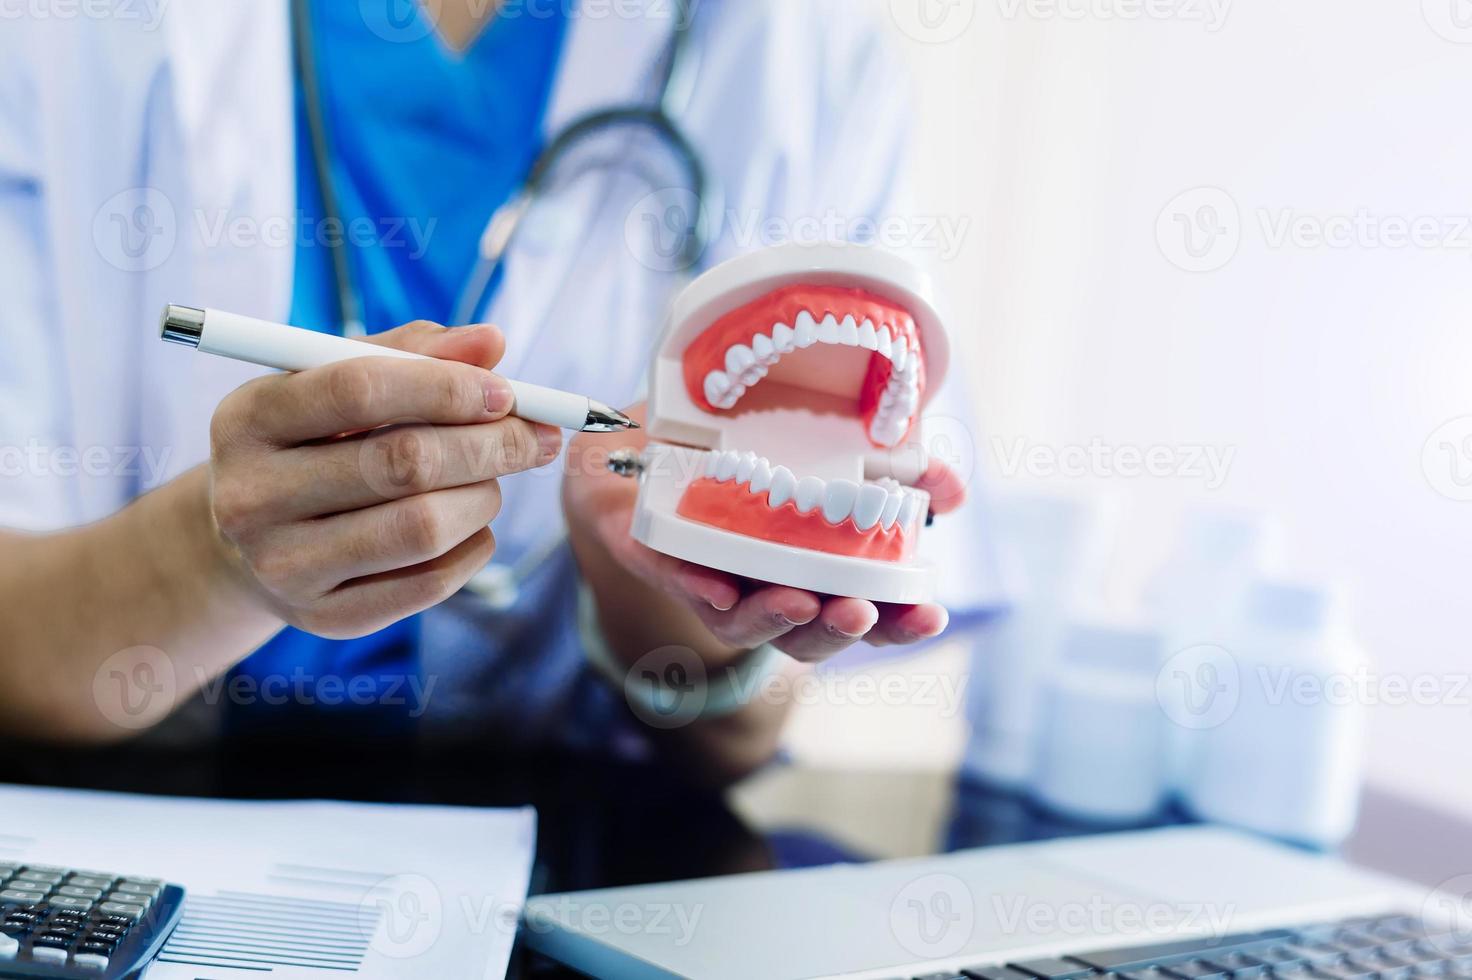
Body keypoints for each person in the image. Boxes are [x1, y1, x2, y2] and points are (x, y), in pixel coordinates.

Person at [0, 0, 998, 782]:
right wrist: (216, 553)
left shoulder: (801, 47)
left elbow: (729, 742)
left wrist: (667, 580)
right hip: (139, 827)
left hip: (552, 854)